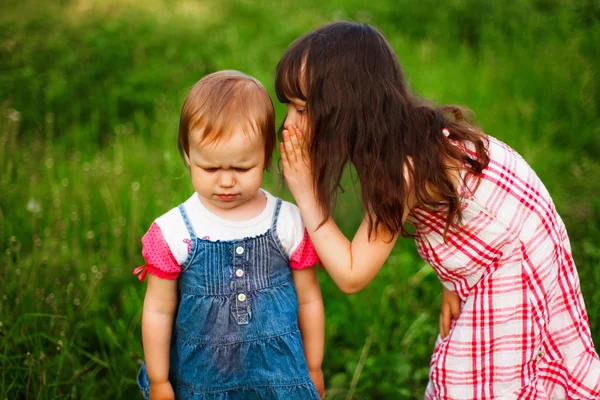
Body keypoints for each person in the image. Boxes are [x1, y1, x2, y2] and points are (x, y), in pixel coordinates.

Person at [276, 21, 600, 398]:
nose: (290, 124)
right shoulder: (404, 136)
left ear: (344, 109)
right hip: (519, 230)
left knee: (478, 383)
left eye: (301, 109)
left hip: (516, 257)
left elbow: (352, 273)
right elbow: (462, 209)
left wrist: (306, 193)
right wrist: (453, 281)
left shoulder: (403, 169)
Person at [133, 70, 324, 400]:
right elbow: (158, 309)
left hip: (278, 379)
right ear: (188, 156)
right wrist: (160, 379)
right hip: (202, 379)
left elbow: (308, 299)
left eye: (240, 168)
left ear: (265, 157)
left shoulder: (287, 222)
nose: (225, 181)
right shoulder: (175, 230)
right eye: (210, 168)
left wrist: (314, 367)